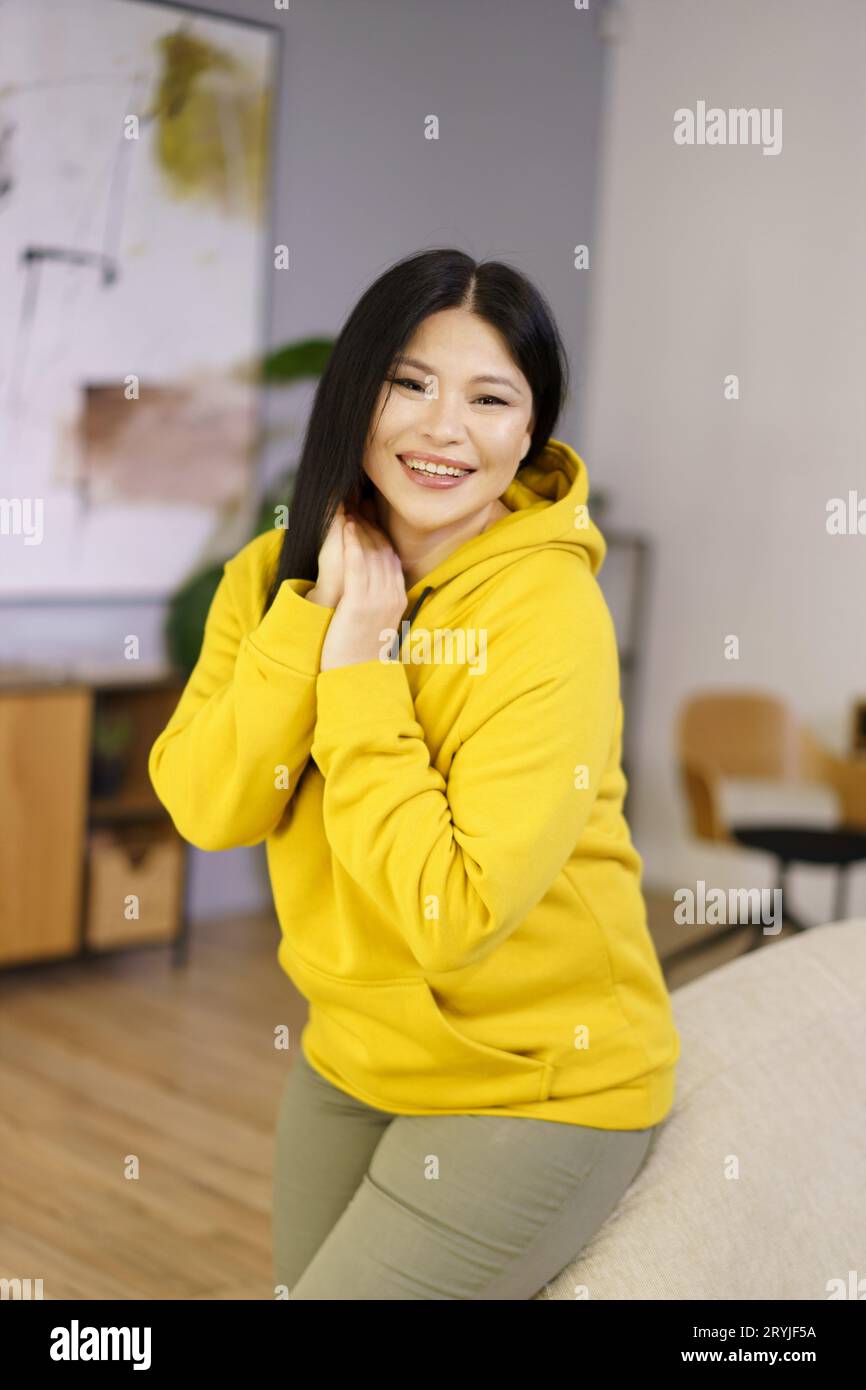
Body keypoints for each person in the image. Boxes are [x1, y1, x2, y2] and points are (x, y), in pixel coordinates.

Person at [148, 247, 681, 1300]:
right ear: (358, 393)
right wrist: (311, 616)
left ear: (527, 433)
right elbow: (211, 807)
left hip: (536, 1080)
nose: (444, 429)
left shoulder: (545, 614)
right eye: (409, 383)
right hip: (354, 1053)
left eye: (489, 397)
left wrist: (358, 668)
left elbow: (452, 910)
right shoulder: (268, 577)